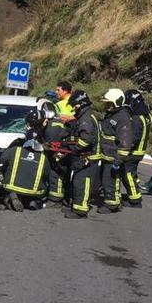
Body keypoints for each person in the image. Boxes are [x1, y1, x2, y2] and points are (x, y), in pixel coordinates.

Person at [0, 110, 49, 211]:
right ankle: (33, 201)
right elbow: (47, 175)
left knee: (2, 169)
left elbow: (1, 159)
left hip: (13, 186)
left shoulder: (16, 149)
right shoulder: (44, 156)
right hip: (36, 190)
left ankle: (10, 195)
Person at [64, 90, 102, 219]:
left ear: (80, 104)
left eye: (74, 105)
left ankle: (81, 211)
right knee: (77, 181)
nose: (73, 108)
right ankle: (76, 205)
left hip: (88, 156)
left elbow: (86, 139)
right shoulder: (86, 116)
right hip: (85, 155)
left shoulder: (86, 119)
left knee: (82, 182)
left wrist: (73, 148)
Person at [97, 88, 134, 214]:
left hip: (113, 157)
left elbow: (125, 142)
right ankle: (109, 200)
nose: (107, 106)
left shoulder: (122, 118)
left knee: (111, 181)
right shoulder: (112, 114)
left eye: (109, 103)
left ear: (117, 102)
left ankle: (112, 204)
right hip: (106, 155)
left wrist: (118, 160)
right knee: (105, 180)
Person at [122, 89, 151, 207]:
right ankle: (135, 191)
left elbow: (133, 137)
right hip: (141, 150)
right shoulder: (147, 115)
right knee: (132, 173)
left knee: (127, 174)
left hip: (134, 151)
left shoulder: (136, 119)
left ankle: (134, 200)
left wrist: (124, 147)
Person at [41, 107, 71, 206]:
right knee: (63, 174)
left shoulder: (49, 123)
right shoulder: (64, 121)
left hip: (57, 152)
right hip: (66, 151)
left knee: (55, 174)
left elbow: (48, 140)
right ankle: (64, 197)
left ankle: (55, 200)